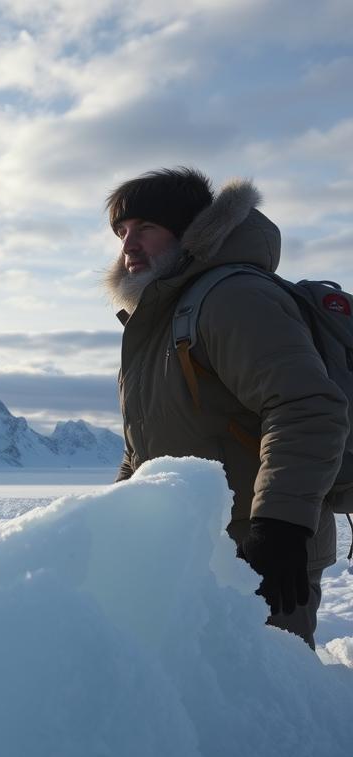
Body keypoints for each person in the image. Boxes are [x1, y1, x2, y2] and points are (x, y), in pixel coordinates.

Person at [104, 167, 349, 648]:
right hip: (189, 550)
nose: (128, 244)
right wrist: (116, 521)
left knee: (261, 709)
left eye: (145, 227)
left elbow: (306, 408)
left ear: (191, 230)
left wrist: (280, 526)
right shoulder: (155, 322)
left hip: (259, 554)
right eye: (121, 231)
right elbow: (143, 448)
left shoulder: (233, 297)